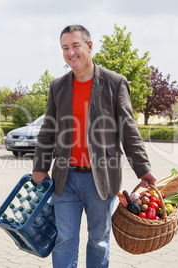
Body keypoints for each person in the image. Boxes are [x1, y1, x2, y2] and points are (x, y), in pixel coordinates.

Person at [32, 25, 157, 268]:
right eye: (65, 48)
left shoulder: (115, 82)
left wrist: (142, 168)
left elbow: (129, 130)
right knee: (64, 239)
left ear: (89, 46)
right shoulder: (57, 86)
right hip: (65, 179)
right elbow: (48, 130)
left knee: (98, 241)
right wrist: (40, 167)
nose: (70, 53)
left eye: (75, 45)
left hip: (101, 180)